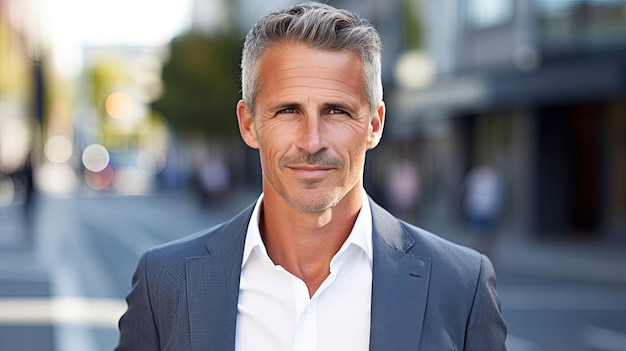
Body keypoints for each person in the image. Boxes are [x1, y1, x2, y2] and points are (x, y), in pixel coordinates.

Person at [115, 3, 507, 350]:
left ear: (374, 125)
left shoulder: (461, 285)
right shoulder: (164, 282)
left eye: (337, 111)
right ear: (249, 124)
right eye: (288, 111)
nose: (312, 141)